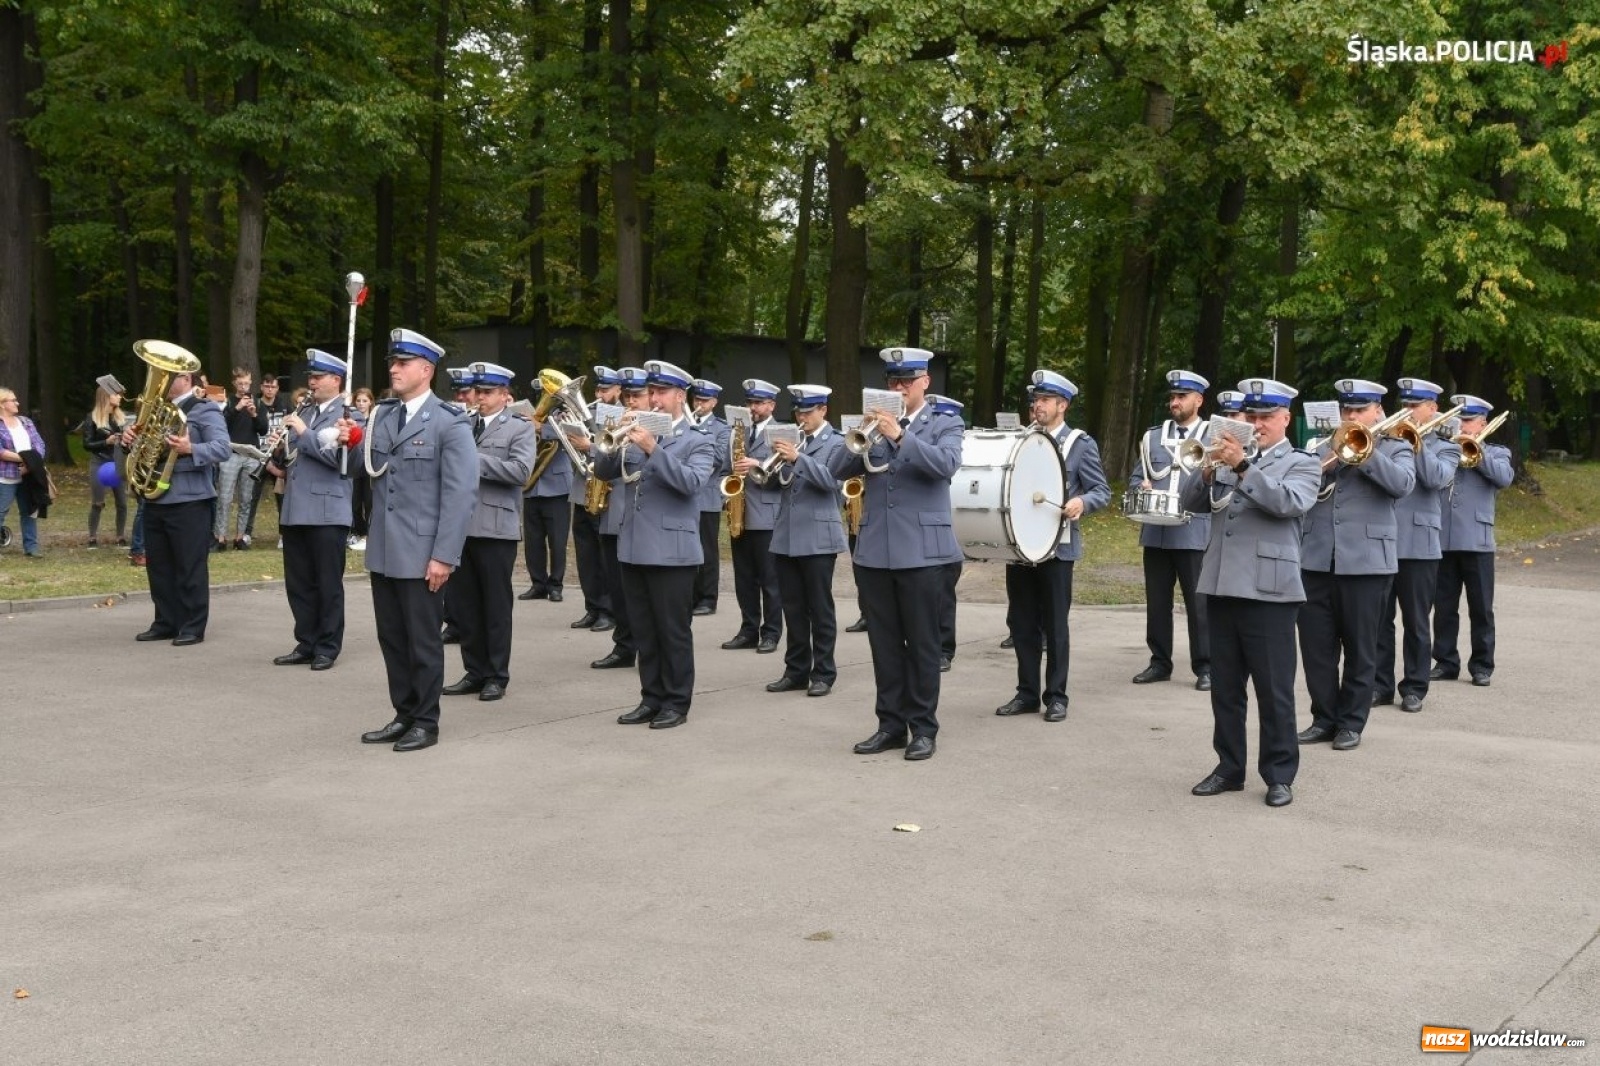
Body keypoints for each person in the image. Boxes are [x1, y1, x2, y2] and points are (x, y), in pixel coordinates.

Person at [1183, 378, 1321, 808]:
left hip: (1269, 591)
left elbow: (1287, 503)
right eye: (1252, 416)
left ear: (1286, 419)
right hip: (1222, 583)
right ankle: (1228, 767)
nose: (1257, 424)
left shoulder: (1303, 462)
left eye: (1265, 417)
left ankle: (1280, 774)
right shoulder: (1228, 458)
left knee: (1273, 689)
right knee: (1226, 688)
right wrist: (1206, 468)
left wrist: (1243, 467)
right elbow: (1192, 503)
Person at [828, 347, 964, 761]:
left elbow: (946, 465)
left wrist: (900, 436)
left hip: (923, 553)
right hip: (874, 551)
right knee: (884, 645)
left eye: (907, 381)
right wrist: (863, 433)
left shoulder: (945, 422)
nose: (899, 388)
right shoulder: (871, 425)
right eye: (893, 382)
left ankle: (923, 727)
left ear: (925, 382)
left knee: (922, 644)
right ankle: (889, 724)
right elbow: (836, 468)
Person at [349, 328, 478, 753]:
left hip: (423, 553)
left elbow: (460, 495)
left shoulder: (449, 421)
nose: (393, 368)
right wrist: (346, 436)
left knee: (423, 640)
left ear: (426, 369)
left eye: (402, 363)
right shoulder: (382, 415)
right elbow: (363, 469)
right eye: (392, 362)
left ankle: (426, 720)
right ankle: (403, 713)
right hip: (385, 549)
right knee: (392, 638)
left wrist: (444, 556)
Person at [591, 359, 715, 729]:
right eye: (651, 392)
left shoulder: (698, 441)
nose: (654, 399)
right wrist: (612, 440)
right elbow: (603, 472)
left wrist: (652, 449)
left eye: (661, 393)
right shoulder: (637, 430)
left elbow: (691, 484)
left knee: (672, 630)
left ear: (680, 396)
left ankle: (676, 702)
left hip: (673, 551)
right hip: (633, 545)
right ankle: (651, 697)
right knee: (644, 628)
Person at [1296, 378, 1415, 752]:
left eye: (1359, 409)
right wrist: (1329, 457)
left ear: (1378, 410)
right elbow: (1301, 488)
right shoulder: (1319, 445)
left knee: (1362, 648)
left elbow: (1402, 485)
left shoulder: (1396, 447)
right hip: (1317, 558)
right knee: (1317, 648)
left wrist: (1363, 454)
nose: (1351, 415)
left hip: (1366, 563)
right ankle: (1324, 718)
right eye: (1346, 409)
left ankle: (1351, 722)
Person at [995, 370, 1110, 723]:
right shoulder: (1023, 440)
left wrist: (1082, 503)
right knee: (1023, 624)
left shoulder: (1080, 443)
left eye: (1044, 400)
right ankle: (1026, 693)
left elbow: (1101, 491)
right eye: (1035, 400)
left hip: (1058, 549)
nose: (1037, 406)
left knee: (1056, 626)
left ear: (1063, 404)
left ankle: (1056, 696)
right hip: (1020, 547)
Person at [442, 363, 538, 702]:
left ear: (504, 395)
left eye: (486, 392)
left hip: (496, 528)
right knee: (465, 605)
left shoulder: (519, 428)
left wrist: (473, 459)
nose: (478, 398)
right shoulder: (462, 425)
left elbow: (521, 472)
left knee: (495, 606)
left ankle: (497, 674)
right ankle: (474, 670)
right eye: (476, 392)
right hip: (460, 526)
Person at [120, 362, 232, 644]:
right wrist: (128, 440)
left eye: (169, 375)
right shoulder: (155, 409)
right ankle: (165, 621)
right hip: (155, 495)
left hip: (190, 498)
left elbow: (222, 448)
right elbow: (143, 448)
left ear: (185, 378)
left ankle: (193, 625)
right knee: (158, 565)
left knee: (189, 565)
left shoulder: (203, 408)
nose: (162, 381)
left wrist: (190, 448)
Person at [1373, 378, 1459, 712]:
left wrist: (1416, 443)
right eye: (1404, 404)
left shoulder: (1446, 445)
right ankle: (1380, 686)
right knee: (1380, 621)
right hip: (1383, 541)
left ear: (1433, 408)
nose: (1407, 411)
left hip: (1420, 545)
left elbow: (1437, 478)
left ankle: (1414, 686)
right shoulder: (1384, 440)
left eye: (1415, 405)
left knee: (1417, 621)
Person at [1129, 370, 1213, 690]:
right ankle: (1160, 662)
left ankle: (1206, 666)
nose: (1174, 402)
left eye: (1182, 397)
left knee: (1198, 604)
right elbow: (1138, 477)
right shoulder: (1153, 436)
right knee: (1157, 601)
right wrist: (1143, 485)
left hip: (1194, 530)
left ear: (1198, 400)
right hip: (1157, 531)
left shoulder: (1211, 435)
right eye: (1172, 397)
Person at [272, 350, 356, 671]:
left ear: (336, 380)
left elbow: (339, 460)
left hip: (326, 510)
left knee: (327, 583)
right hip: (295, 508)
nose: (312, 383)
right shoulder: (303, 409)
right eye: (311, 377)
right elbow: (296, 459)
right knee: (299, 582)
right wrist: (278, 451)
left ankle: (327, 646)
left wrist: (303, 434)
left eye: (318, 377)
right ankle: (306, 641)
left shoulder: (347, 415)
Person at [765, 385, 846, 698]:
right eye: (798, 411)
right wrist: (763, 468)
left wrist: (797, 457)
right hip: (786, 535)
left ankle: (824, 672)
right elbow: (775, 486)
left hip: (818, 536)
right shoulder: (791, 440)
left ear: (823, 410)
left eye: (808, 411)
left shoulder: (837, 442)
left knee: (819, 607)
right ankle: (796, 670)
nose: (802, 417)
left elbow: (832, 481)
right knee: (793, 607)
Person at [1432, 393, 1514, 687]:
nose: (1462, 426)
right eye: (1459, 420)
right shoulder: (1445, 449)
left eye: (1468, 421)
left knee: (1481, 607)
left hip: (1477, 541)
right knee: (1443, 606)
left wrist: (1477, 452)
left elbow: (1504, 478)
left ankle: (1482, 665)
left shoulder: (1497, 452)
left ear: (1482, 423)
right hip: (1443, 538)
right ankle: (1445, 661)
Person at [589, 367, 649, 670]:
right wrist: (612, 437)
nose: (631, 402)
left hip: (646, 523)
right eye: (627, 396)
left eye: (637, 395)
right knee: (618, 587)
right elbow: (601, 468)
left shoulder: (663, 431)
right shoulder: (619, 422)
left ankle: (648, 648)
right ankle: (624, 646)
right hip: (615, 517)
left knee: (645, 594)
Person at [724, 378, 783, 654]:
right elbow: (725, 469)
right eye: (750, 403)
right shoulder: (737, 432)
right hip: (739, 514)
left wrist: (758, 464)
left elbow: (786, 475)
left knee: (770, 580)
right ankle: (748, 629)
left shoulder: (781, 432)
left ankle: (771, 632)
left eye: (758, 403)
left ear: (771, 405)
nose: (753, 408)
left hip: (767, 515)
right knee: (744, 578)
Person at [569, 365, 621, 632]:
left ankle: (608, 610)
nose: (600, 394)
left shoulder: (622, 416)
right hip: (582, 491)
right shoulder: (586, 413)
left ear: (618, 390)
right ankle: (592, 606)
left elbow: (612, 450)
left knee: (604, 557)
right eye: (598, 389)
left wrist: (588, 446)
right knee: (586, 556)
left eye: (605, 389)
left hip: (607, 494)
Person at [518, 381, 573, 603]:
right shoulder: (534, 413)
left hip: (557, 487)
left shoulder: (568, 412)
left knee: (557, 541)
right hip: (532, 484)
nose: (545, 395)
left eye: (549, 392)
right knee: (533, 541)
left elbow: (571, 434)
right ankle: (537, 584)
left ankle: (556, 585)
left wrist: (541, 428)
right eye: (544, 391)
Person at [926, 394, 966, 671]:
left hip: (938, 525)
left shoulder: (949, 430)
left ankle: (944, 648)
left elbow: (946, 465)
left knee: (942, 593)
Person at [213, 366, 267, 551]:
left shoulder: (258, 403)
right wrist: (237, 408)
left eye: (247, 383)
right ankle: (220, 538)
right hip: (230, 454)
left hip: (250, 456)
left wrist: (253, 415)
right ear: (235, 383)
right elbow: (221, 424)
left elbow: (264, 430)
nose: (244, 386)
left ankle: (239, 537)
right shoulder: (227, 401)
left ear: (251, 382)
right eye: (240, 383)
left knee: (246, 499)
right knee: (225, 498)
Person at [688, 378, 730, 616]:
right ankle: (691, 594)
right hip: (685, 495)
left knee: (707, 550)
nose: (699, 404)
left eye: (704, 400)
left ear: (714, 402)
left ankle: (707, 598)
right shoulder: (684, 422)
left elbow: (716, 460)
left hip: (707, 496)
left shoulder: (722, 428)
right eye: (696, 399)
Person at [81, 374, 130, 549]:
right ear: (106, 396)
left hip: (117, 462)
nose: (119, 397)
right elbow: (87, 444)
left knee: (122, 502)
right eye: (116, 394)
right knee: (98, 502)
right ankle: (92, 537)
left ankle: (120, 536)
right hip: (99, 463)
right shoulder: (92, 418)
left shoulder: (121, 419)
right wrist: (105, 442)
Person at [0, 387, 48, 558]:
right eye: (13, 400)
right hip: (5, 476)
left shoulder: (26, 422)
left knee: (29, 510)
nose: (17, 403)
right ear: (2, 404)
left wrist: (32, 464)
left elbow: (39, 445)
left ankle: (31, 547)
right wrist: (25, 459)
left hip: (29, 474)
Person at [246, 374, 293, 545]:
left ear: (277, 388)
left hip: (278, 454)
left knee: (281, 495)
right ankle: (247, 533)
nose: (270, 390)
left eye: (273, 387)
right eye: (267, 386)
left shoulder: (285, 405)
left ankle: (283, 534)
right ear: (261, 387)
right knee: (252, 495)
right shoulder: (256, 404)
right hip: (259, 453)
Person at [347, 387, 376, 550]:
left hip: (370, 465)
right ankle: (358, 531)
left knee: (369, 500)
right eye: (358, 400)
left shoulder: (375, 419)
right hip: (355, 464)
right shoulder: (352, 420)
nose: (361, 404)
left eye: (364, 400)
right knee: (354, 501)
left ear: (370, 402)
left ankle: (369, 535)